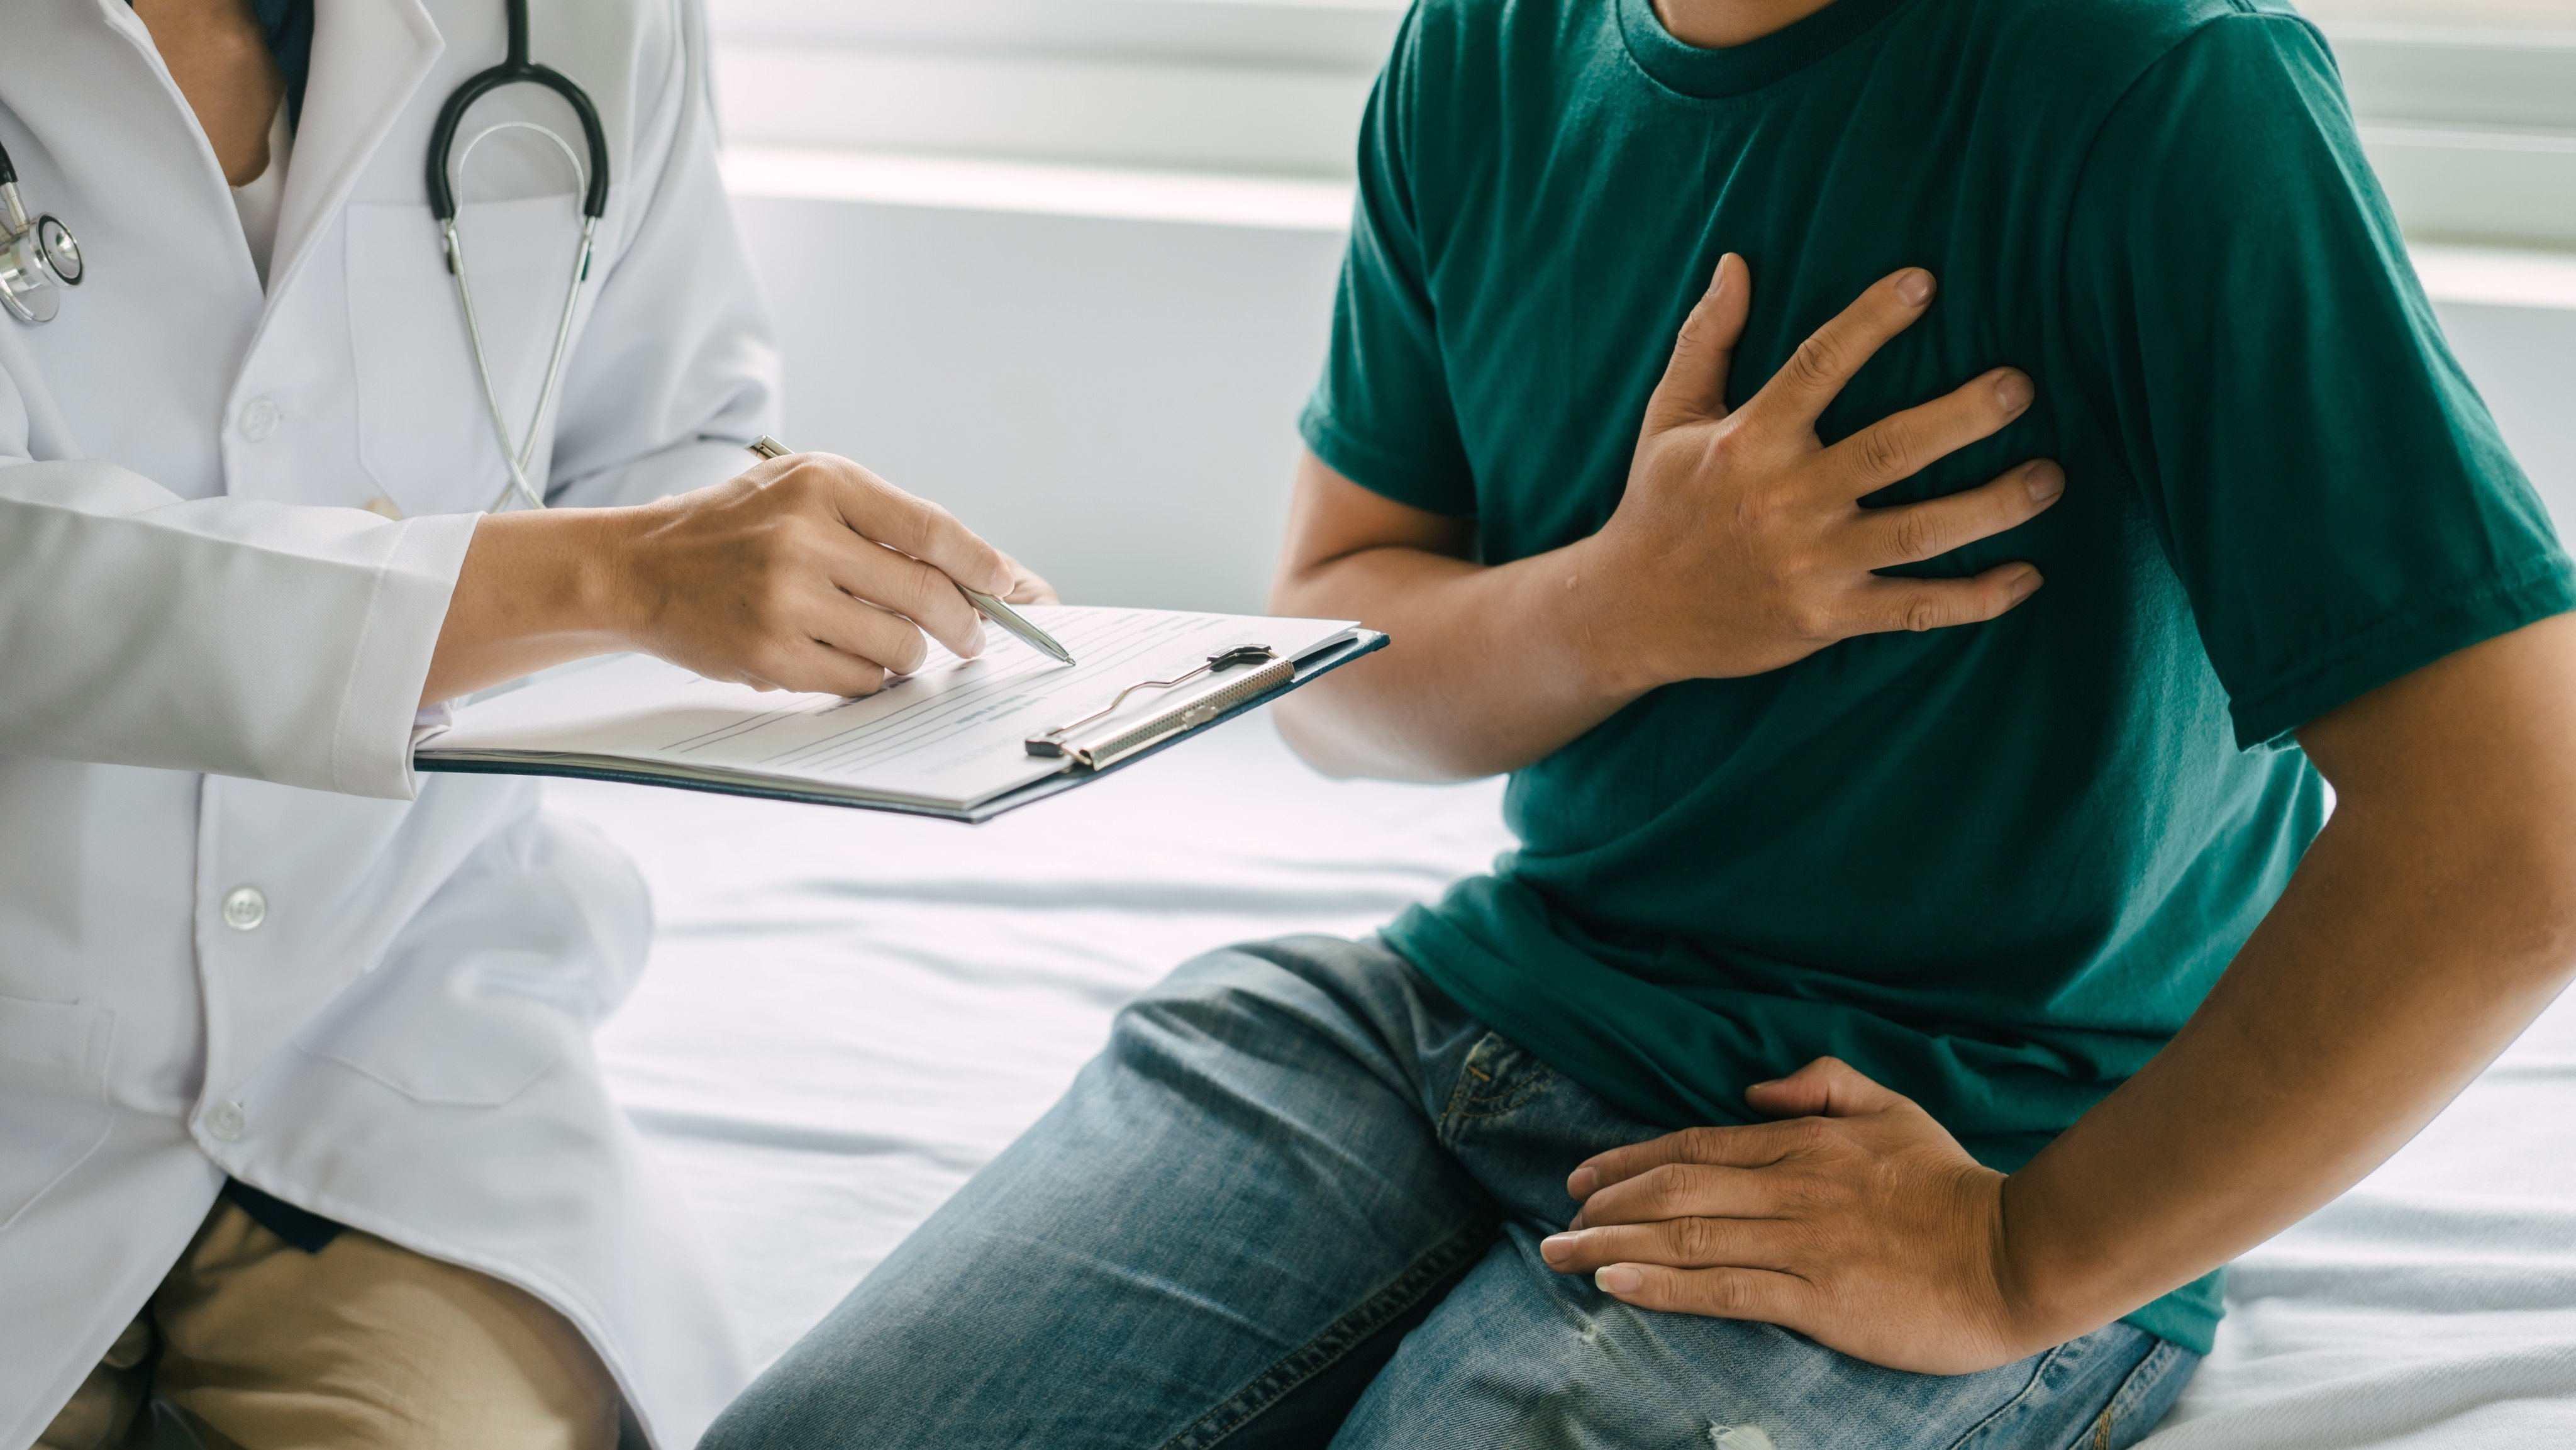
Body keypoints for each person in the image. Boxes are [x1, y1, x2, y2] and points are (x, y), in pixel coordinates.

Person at [700, 0, 2576, 1444]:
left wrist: (2021, 1259)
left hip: (1952, 1127)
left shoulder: (2157, 86)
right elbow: (1333, 687)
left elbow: (2518, 840)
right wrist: (1630, 602)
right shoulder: (1484, 44)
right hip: (1463, 1023)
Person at [0, 2, 1047, 1447]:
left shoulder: (583, 19)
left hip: (391, 1035)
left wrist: (784, 562)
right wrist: (622, 574)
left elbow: (667, 434)